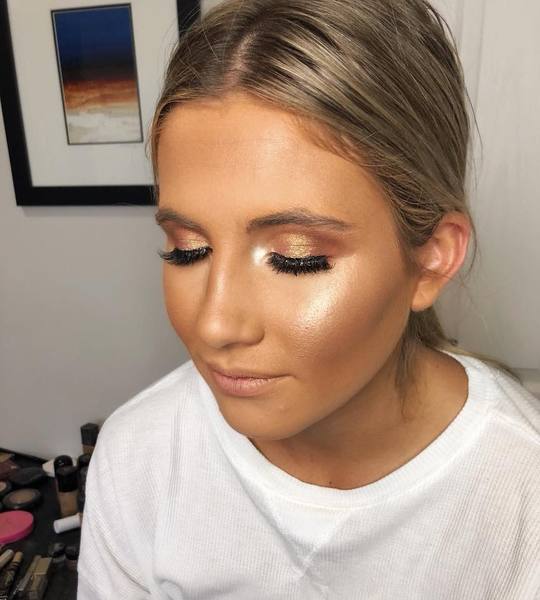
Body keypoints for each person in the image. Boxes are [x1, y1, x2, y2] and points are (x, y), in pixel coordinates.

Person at [77, 0, 540, 598]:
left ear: (430, 258)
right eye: (188, 250)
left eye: (296, 257)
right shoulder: (138, 455)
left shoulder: (522, 495)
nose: (215, 324)